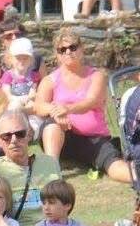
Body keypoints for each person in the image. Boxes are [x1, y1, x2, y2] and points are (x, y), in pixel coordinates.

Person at [34, 28, 131, 183]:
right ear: (56, 54)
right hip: (63, 136)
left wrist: (67, 109)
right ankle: (52, 171)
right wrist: (56, 112)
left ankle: (135, 175)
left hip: (95, 138)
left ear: (81, 49)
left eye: (73, 47)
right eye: (62, 49)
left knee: (114, 167)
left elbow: (92, 101)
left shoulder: (96, 76)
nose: (68, 52)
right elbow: (38, 107)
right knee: (51, 125)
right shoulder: (50, 80)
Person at [0, 37, 44, 139]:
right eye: (18, 58)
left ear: (31, 59)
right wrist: (19, 100)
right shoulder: (8, 75)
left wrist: (29, 100)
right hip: (13, 102)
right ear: (11, 59)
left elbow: (33, 93)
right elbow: (7, 94)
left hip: (28, 102)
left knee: (35, 109)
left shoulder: (34, 75)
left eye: (25, 58)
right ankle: (14, 131)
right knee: (14, 106)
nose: (22, 61)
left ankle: (31, 133)